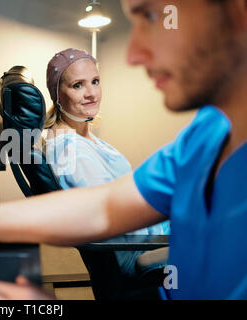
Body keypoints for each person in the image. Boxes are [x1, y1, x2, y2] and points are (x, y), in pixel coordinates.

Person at [0, 0, 247, 300]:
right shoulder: (207, 134)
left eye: (152, 16)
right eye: (78, 84)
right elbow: (105, 206)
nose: (133, 52)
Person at [42, 48, 169, 285]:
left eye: (95, 81)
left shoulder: (81, 135)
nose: (91, 93)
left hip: (149, 233)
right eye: (77, 85)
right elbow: (112, 214)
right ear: (57, 94)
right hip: (145, 249)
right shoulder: (71, 150)